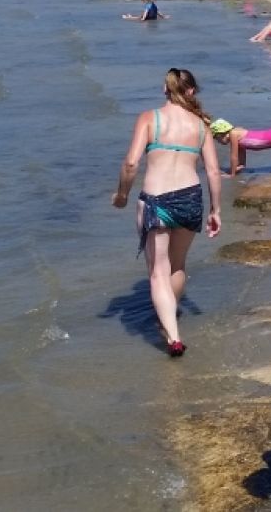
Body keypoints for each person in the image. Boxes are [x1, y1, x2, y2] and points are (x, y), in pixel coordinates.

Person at [111, 68, 222, 356]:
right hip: (190, 199)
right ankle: (168, 315)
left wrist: (122, 195)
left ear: (165, 90)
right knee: (178, 265)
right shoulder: (201, 126)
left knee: (158, 273)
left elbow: (131, 163)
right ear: (191, 91)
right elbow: (212, 170)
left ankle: (172, 336)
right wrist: (216, 210)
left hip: (156, 201)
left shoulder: (150, 119)